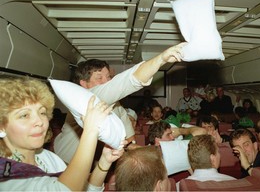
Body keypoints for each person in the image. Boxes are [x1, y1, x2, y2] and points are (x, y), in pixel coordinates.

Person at [54, 42, 187, 163]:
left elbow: (129, 142)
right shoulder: (86, 99)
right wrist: (161, 59)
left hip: (92, 166)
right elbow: (129, 81)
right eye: (99, 78)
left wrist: (153, 152)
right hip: (63, 165)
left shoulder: (116, 107)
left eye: (108, 77)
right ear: (84, 84)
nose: (107, 82)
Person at [0, 77, 124, 191]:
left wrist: (104, 163)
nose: (39, 121)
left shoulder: (47, 157)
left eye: (42, 113)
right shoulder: (5, 176)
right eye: (24, 115)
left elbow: (81, 188)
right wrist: (90, 131)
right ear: (1, 127)